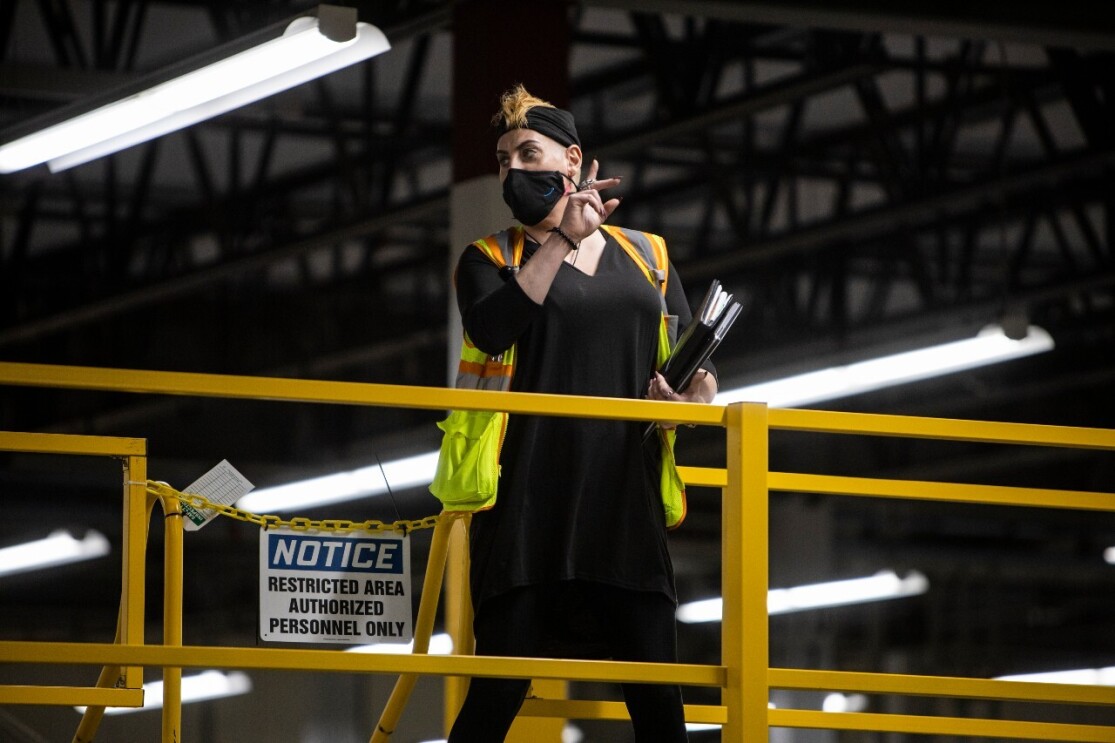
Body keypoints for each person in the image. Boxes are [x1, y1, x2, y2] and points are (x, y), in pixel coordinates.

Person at [447, 84, 717, 742]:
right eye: (503, 157)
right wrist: (560, 240)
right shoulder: (489, 258)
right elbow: (493, 329)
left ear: (572, 161)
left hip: (625, 508)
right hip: (526, 511)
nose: (512, 168)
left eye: (527, 153)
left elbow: (695, 361)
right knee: (496, 694)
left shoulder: (646, 257)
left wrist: (693, 401)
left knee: (659, 705)